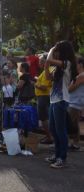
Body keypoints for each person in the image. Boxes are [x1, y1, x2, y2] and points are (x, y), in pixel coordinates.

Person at [45, 40, 78, 168]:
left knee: (60, 130)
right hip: (54, 100)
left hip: (61, 100)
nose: (56, 53)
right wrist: (47, 67)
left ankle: (62, 158)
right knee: (53, 129)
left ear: (63, 52)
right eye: (55, 51)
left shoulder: (67, 64)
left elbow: (48, 60)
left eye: (58, 51)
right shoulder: (59, 66)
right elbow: (48, 77)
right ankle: (57, 155)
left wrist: (52, 49)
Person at [35, 55, 53, 144]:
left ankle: (49, 137)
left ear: (46, 62)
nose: (39, 63)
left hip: (44, 96)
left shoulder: (47, 71)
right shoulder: (46, 71)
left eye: (41, 61)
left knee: (43, 118)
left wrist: (35, 84)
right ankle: (49, 136)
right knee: (45, 118)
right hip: (43, 96)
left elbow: (44, 87)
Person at [67, 57, 84, 151]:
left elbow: (70, 89)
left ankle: (75, 143)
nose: (75, 65)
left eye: (76, 63)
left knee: (71, 123)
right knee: (74, 123)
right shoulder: (79, 75)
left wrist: (70, 84)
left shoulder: (81, 76)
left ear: (81, 64)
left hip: (75, 103)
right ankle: (75, 143)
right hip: (75, 102)